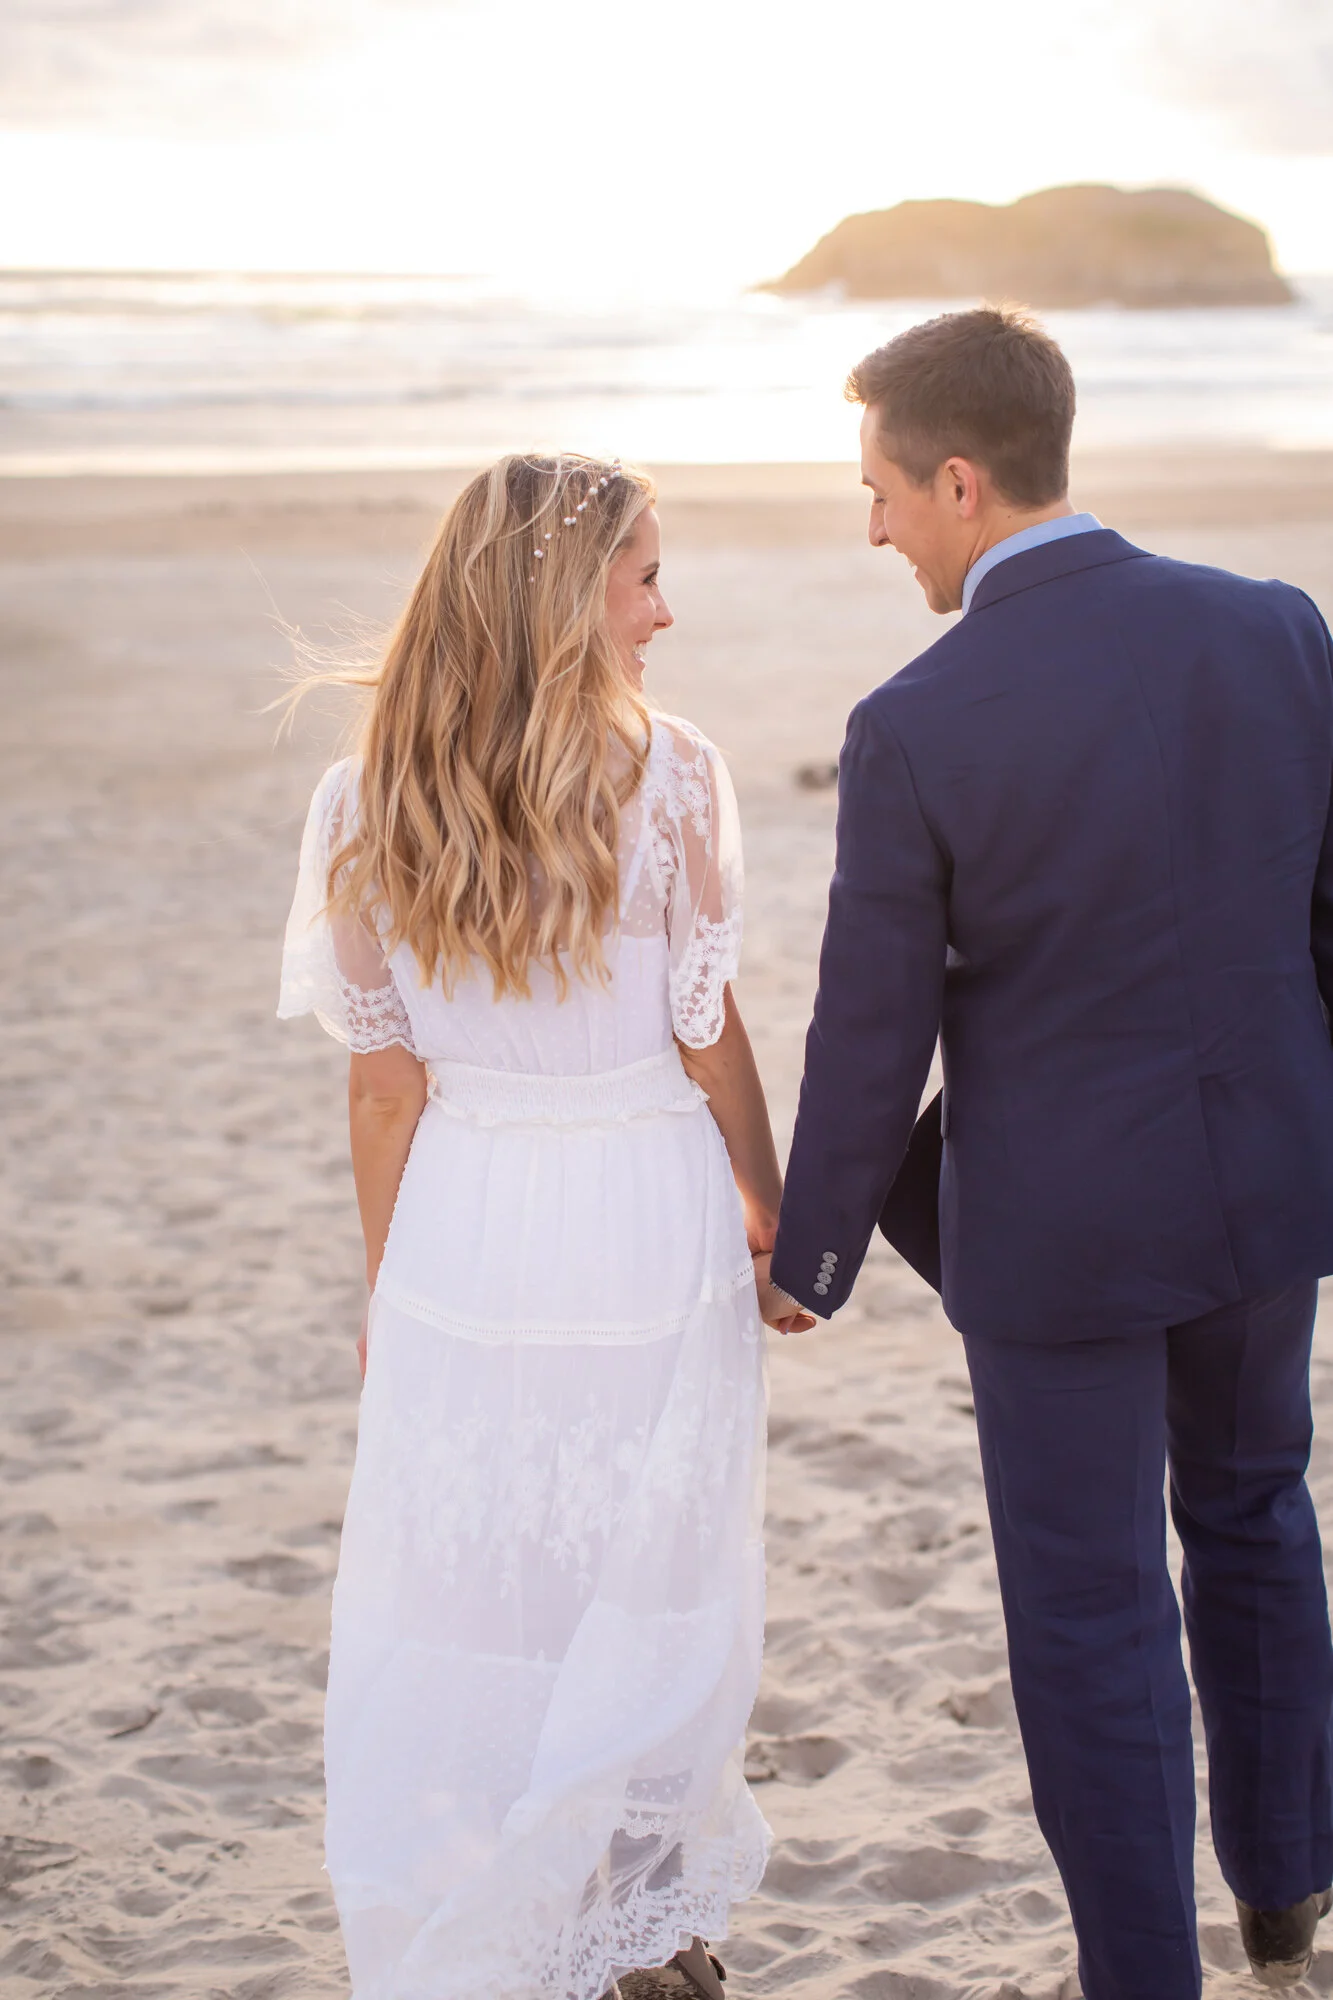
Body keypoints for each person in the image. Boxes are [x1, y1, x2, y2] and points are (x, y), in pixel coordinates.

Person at [769, 307, 1333, 1998]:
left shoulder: (917, 721)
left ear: (959, 479)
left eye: (879, 492)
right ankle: (1292, 1888)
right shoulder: (1279, 632)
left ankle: (1147, 1975)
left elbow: (871, 1030)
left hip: (1063, 1244)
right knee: (1254, 1508)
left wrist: (812, 1258)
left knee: (1091, 1611)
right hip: (1268, 1188)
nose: (873, 528)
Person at [278, 453, 807, 2000]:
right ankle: (646, 1928)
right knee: (652, 1568)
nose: (664, 609)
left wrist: (399, 1286)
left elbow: (386, 1089)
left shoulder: (367, 792)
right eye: (642, 576)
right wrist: (772, 1209)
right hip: (646, 1204)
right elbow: (709, 1033)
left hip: (467, 1214)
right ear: (562, 598)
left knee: (484, 1575)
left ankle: (537, 1917)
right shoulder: (675, 772)